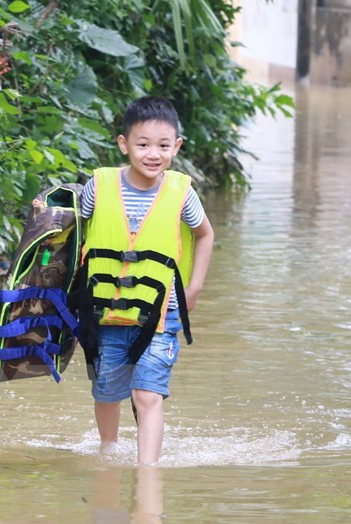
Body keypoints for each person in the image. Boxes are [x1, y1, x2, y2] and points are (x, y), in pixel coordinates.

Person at [79, 96, 214, 464]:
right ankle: (108, 455)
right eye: (142, 145)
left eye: (163, 146)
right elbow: (71, 233)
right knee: (106, 391)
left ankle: (148, 471)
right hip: (105, 312)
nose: (153, 154)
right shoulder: (99, 186)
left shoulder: (182, 193)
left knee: (147, 395)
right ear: (124, 145)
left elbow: (205, 234)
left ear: (177, 147)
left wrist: (196, 285)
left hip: (161, 313)